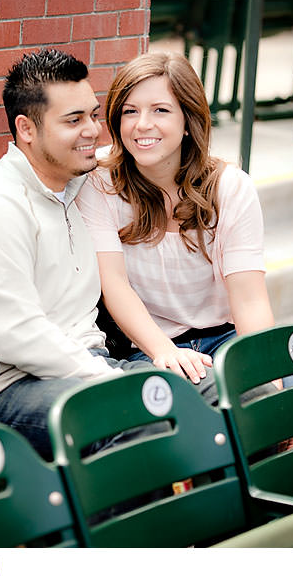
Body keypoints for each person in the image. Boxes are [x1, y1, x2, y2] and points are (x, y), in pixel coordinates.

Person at [0, 49, 146, 460]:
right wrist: (105, 379)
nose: (94, 132)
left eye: (93, 115)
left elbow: (145, 155)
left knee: (191, 399)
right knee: (130, 417)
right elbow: (15, 335)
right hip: (11, 388)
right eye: (73, 120)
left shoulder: (75, 182)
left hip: (88, 363)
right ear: (26, 129)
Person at [76, 51, 275, 385]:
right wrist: (163, 350)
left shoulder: (230, 187)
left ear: (188, 121)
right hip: (149, 347)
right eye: (130, 111)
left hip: (227, 340)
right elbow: (114, 284)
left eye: (160, 110)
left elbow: (250, 299)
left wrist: (271, 378)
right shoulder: (100, 183)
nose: (142, 124)